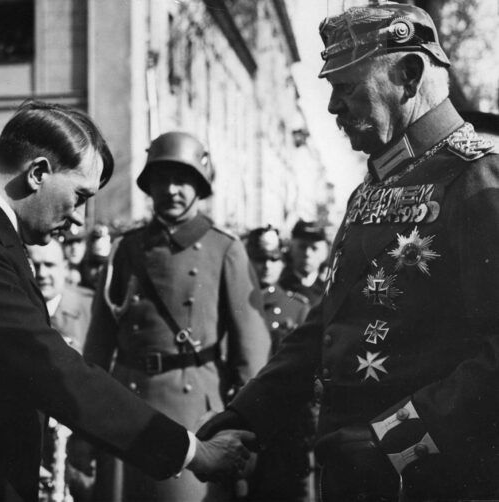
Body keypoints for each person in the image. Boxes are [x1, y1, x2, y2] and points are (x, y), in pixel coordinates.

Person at [0, 100, 254, 502]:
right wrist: (193, 451)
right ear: (39, 172)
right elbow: (50, 367)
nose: (79, 218)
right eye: (79, 196)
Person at [197, 2, 499, 501]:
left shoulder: (477, 180)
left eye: (347, 87)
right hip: (354, 477)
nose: (334, 108)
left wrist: (395, 440)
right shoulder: (373, 186)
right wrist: (247, 411)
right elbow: (326, 324)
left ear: (408, 74)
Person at [83, 131, 270, 502]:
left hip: (193, 415)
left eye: (183, 180)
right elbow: (98, 347)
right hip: (127, 406)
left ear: (200, 187)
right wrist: (86, 428)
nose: (171, 190)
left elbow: (253, 352)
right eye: (162, 179)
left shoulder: (225, 249)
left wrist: (248, 431)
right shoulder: (126, 250)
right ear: (148, 186)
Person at [245, 226, 313, 501]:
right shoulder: (234, 304)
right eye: (260, 258)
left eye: (274, 259)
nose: (267, 266)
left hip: (285, 423)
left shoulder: (297, 307)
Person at [28, 239, 96, 501]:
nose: (42, 273)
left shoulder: (89, 308)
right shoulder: (14, 306)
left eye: (50, 265)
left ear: (66, 267)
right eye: (35, 265)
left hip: (79, 444)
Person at [279, 219, 329, 305]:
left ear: (325, 253)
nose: (307, 254)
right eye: (302, 247)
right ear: (291, 249)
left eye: (314, 248)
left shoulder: (329, 290)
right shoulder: (280, 287)